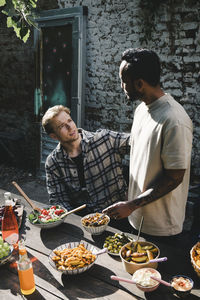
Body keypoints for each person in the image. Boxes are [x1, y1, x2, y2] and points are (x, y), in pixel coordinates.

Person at [103, 48, 193, 239]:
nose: (121, 86)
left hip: (161, 227)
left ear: (139, 84)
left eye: (123, 81)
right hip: (135, 217)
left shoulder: (174, 119)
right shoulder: (142, 110)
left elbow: (175, 177)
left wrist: (131, 205)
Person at [42, 105, 131, 229]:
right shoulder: (53, 162)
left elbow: (140, 144)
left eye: (69, 121)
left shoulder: (105, 138)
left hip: (119, 217)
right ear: (54, 136)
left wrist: (134, 193)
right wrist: (75, 222)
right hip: (83, 223)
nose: (70, 127)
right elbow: (58, 200)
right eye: (62, 126)